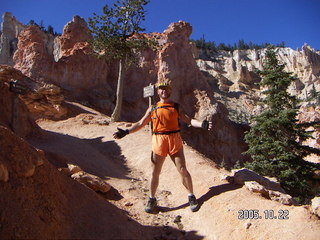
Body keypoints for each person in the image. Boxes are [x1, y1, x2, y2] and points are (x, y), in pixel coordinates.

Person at [113, 80, 212, 213]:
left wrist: (202, 124)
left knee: (182, 169)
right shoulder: (153, 108)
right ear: (158, 91)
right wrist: (127, 131)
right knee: (155, 172)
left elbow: (188, 120)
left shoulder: (176, 106)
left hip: (174, 139)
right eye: (161, 89)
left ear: (170, 91)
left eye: (166, 89)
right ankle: (152, 199)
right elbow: (141, 123)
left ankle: (191, 196)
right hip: (159, 140)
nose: (163, 91)